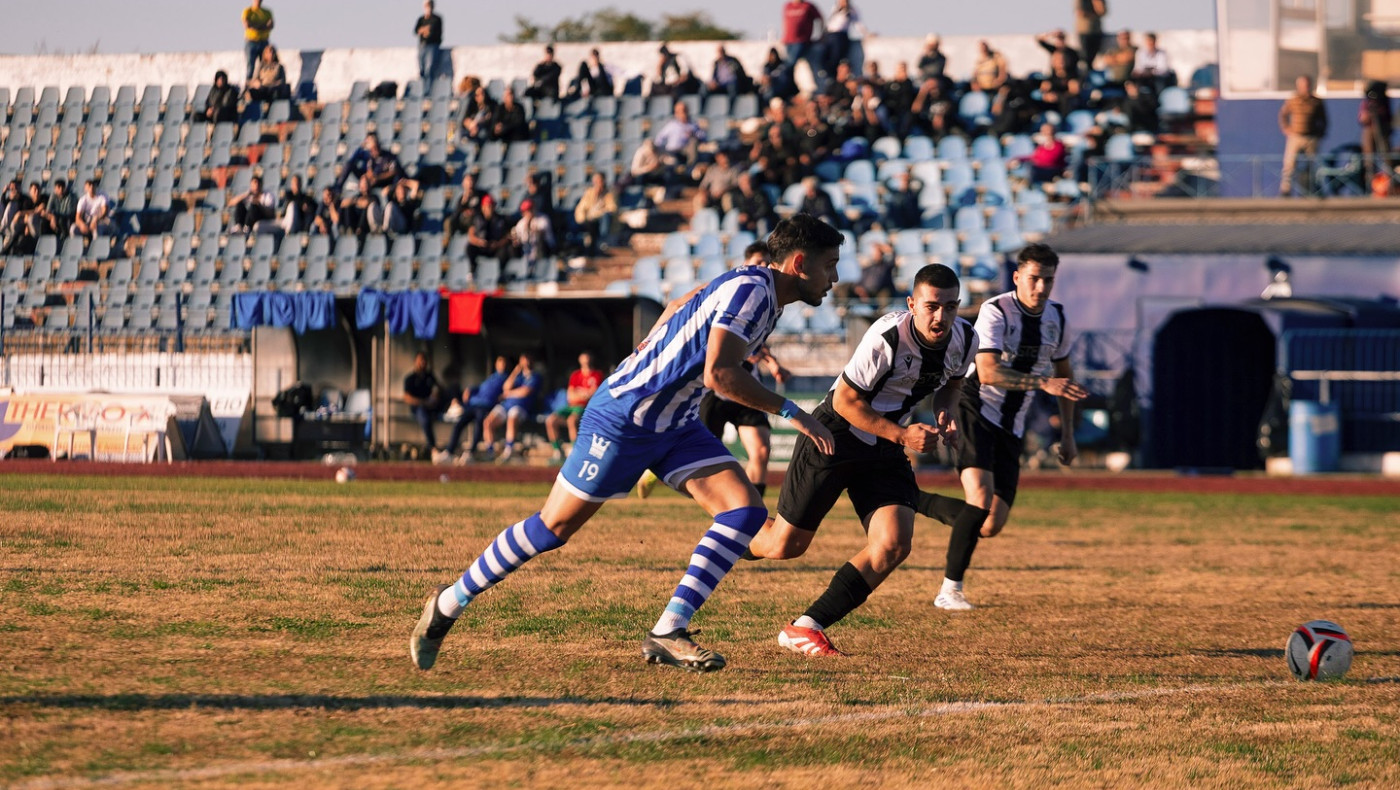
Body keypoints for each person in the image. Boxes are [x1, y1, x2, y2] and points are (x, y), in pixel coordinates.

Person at [410, 214, 844, 675]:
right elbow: (720, 375)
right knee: (552, 529)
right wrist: (792, 412)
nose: (834, 278)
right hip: (624, 418)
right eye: (830, 265)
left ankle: (668, 631)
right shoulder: (755, 292)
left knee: (745, 512)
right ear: (799, 263)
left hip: (674, 423)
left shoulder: (757, 286)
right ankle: (447, 603)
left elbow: (682, 299)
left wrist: (652, 340)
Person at [744, 263, 978, 655]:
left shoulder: (965, 338)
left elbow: (951, 387)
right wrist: (903, 434)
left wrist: (945, 413)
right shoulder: (887, 336)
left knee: (892, 544)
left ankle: (806, 625)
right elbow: (845, 402)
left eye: (951, 307)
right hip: (835, 433)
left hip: (884, 445)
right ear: (911, 305)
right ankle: (728, 538)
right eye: (932, 306)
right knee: (785, 545)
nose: (942, 317)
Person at [912, 243, 1088, 610]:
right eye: (1034, 279)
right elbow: (988, 371)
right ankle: (950, 591)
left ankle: (912, 498)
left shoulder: (1059, 317)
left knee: (990, 523)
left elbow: (1065, 379)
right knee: (978, 500)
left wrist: (1068, 435)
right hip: (975, 409)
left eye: (1048, 280)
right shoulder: (997, 310)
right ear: (1017, 277)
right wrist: (1043, 383)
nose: (1041, 288)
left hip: (1013, 425)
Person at [446, 355, 510, 461]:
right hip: (473, 405)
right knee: (459, 424)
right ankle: (449, 452)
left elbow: (505, 392)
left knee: (480, 423)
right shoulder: (492, 377)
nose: (501, 365)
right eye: (499, 362)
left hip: (486, 407)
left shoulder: (507, 379)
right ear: (496, 364)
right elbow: (480, 388)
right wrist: (469, 390)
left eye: (504, 363)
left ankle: (471, 453)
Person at [545, 351, 604, 462]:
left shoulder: (597, 374)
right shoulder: (575, 375)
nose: (586, 361)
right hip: (571, 406)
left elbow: (593, 394)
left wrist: (580, 393)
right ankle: (557, 451)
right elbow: (570, 396)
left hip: (586, 407)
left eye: (588, 359)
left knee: (572, 420)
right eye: (583, 359)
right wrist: (583, 393)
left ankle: (575, 452)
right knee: (551, 420)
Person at [483, 352, 541, 463]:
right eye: (524, 359)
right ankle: (490, 452)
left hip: (521, 407)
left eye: (529, 359)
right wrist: (515, 372)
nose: (526, 362)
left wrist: (508, 393)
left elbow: (525, 392)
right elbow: (505, 387)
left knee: (512, 417)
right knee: (488, 421)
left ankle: (508, 451)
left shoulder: (535, 376)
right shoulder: (518, 376)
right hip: (506, 405)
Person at [1279, 75, 1327, 197]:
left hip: (1311, 138)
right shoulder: (1293, 100)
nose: (1305, 88)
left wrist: (1320, 133)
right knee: (1289, 165)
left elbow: (1323, 119)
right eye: (1302, 85)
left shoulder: (1316, 101)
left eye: (1306, 85)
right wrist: (1286, 128)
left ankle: (1311, 189)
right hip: (1295, 137)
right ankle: (1285, 191)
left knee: (1311, 165)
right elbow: (1283, 114)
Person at [403, 351, 447, 461]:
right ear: (415, 362)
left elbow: (440, 388)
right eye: (420, 361)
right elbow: (407, 398)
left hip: (432, 407)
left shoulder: (429, 376)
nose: (422, 363)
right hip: (418, 408)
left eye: (424, 361)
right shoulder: (410, 378)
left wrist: (435, 396)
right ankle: (433, 448)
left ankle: (448, 449)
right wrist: (423, 402)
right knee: (424, 418)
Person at [782, 0, 825, 94]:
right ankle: (790, 88)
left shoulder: (808, 6)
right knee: (789, 67)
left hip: (801, 41)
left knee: (790, 64)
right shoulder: (788, 6)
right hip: (789, 41)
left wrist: (820, 35)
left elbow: (820, 19)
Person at [573, 172, 617, 254]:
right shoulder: (589, 193)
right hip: (588, 221)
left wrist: (598, 213)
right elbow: (581, 209)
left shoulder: (608, 194)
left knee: (606, 217)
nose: (597, 183)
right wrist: (584, 218)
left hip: (600, 220)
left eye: (599, 181)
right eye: (595, 181)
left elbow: (612, 208)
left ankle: (602, 240)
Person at [1360, 80, 1392, 186]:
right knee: (1369, 160)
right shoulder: (1367, 103)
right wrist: (1367, 116)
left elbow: (1387, 117)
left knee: (1386, 157)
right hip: (1369, 130)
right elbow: (1362, 118)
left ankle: (1389, 184)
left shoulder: (1384, 102)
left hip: (1382, 131)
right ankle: (1369, 185)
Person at [242, 0, 275, 81]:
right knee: (251, 65)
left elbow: (271, 25)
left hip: (264, 41)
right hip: (251, 42)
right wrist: (263, 26)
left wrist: (256, 26)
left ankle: (264, 82)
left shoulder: (267, 12)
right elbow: (247, 25)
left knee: (265, 65)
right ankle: (248, 83)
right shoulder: (248, 11)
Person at [1074, 0, 1108, 74]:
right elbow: (1081, 13)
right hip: (1084, 32)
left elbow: (1103, 11)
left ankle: (1090, 74)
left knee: (1093, 57)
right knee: (1086, 57)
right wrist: (1096, 15)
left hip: (1097, 32)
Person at [414, 0, 444, 84]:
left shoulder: (437, 19)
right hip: (422, 46)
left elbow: (436, 32)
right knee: (421, 68)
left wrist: (427, 31)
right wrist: (424, 30)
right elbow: (416, 31)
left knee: (429, 68)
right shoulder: (421, 19)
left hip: (433, 46)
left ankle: (428, 90)